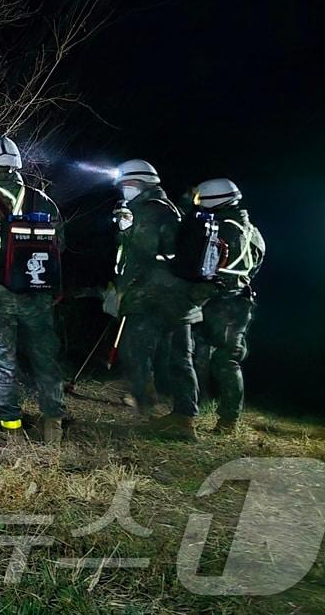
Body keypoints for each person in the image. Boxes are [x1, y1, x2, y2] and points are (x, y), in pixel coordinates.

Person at [0, 136, 66, 445]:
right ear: (16, 165)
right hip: (38, 294)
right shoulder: (43, 201)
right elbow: (59, 244)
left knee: (1, 364)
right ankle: (53, 425)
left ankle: (9, 428)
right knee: (46, 359)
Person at [112, 159, 207, 441]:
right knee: (182, 358)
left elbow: (140, 254)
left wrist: (121, 287)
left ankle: (145, 404)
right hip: (181, 296)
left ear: (138, 184)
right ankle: (185, 417)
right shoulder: (171, 209)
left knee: (135, 350)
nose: (123, 189)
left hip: (152, 295)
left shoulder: (146, 211)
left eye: (125, 184)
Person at [192, 179, 266, 433]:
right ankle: (216, 415)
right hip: (239, 301)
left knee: (219, 360)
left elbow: (207, 265)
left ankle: (223, 420)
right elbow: (254, 267)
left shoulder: (221, 228)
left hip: (220, 301)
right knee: (219, 358)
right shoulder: (252, 230)